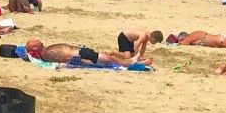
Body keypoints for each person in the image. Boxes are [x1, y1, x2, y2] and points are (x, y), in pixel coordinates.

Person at [22, 39, 150, 67]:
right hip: (81, 52)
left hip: (81, 53)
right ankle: (132, 62)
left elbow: (66, 58)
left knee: (110, 59)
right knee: (110, 59)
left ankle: (132, 62)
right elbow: (66, 58)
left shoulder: (47, 53)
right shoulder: (48, 51)